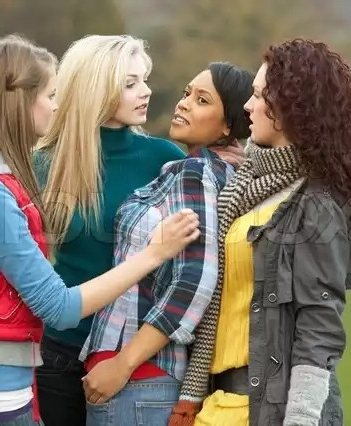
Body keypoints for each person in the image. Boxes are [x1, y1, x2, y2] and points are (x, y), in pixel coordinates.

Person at [0, 35, 243, 426]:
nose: (147, 92)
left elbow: (203, 256)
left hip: (128, 356)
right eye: (130, 83)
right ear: (97, 88)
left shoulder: (166, 160)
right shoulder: (42, 162)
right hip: (56, 349)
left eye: (145, 79)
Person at [170, 39, 351, 426]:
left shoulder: (317, 202)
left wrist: (302, 419)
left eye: (259, 95)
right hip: (219, 402)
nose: (247, 106)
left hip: (270, 409)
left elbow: (319, 325)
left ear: (291, 109)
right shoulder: (244, 184)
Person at [78, 62, 253, 426]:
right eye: (187, 93)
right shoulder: (213, 171)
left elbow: (196, 279)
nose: (184, 103)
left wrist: (122, 364)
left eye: (202, 100)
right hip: (139, 382)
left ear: (227, 126)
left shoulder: (196, 173)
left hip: (139, 381)